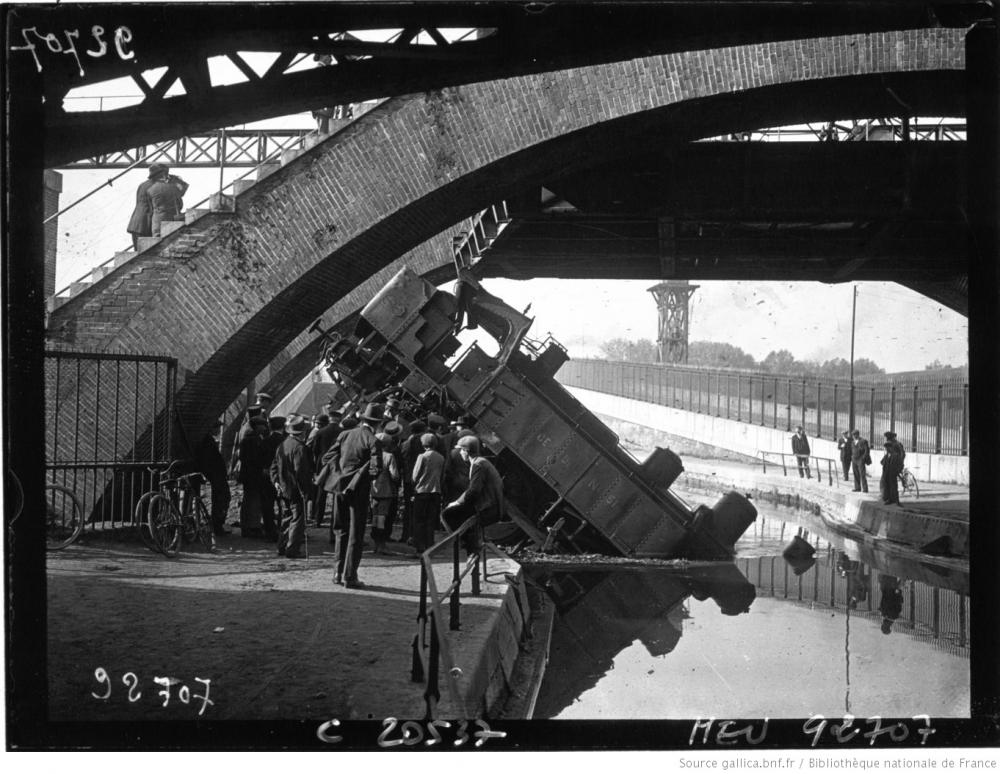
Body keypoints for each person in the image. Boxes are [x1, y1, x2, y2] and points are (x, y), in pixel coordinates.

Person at [325, 402, 384, 588]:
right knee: (356, 533)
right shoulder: (373, 441)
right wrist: (360, 476)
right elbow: (376, 469)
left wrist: (340, 475)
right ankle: (350, 577)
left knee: (340, 530)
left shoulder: (344, 434)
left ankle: (337, 573)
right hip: (359, 490)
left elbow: (327, 458)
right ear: (378, 424)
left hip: (339, 488)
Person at [442, 435, 505, 556]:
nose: (460, 452)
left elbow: (474, 491)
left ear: (466, 451)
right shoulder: (481, 462)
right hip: (491, 505)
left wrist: (456, 502)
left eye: (461, 450)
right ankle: (470, 545)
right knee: (460, 514)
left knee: (446, 514)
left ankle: (468, 546)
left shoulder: (478, 465)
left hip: (488, 508)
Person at [270, 414, 314, 559]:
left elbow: (274, 466)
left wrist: (276, 481)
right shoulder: (300, 448)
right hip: (296, 490)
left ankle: (281, 547)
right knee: (298, 520)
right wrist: (306, 490)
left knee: (286, 518)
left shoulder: (283, 444)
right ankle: (292, 550)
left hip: (283, 488)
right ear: (302, 432)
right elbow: (301, 472)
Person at [194, 420, 231, 536]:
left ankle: (217, 524)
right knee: (222, 498)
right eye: (217, 428)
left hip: (216, 475)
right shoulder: (208, 442)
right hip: (215, 475)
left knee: (221, 498)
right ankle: (217, 525)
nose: (218, 431)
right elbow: (210, 461)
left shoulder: (208, 441)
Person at [411, 432, 445, 553]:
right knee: (431, 520)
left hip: (422, 491)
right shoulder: (441, 457)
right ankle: (429, 544)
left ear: (423, 444)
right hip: (436, 491)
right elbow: (442, 476)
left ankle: (420, 546)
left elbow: (415, 476)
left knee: (419, 519)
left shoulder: (422, 457)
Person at [236, 416, 269, 536]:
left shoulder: (250, 439)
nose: (265, 427)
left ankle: (248, 525)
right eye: (263, 425)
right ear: (257, 427)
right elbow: (254, 459)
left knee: (249, 500)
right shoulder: (252, 440)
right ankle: (252, 526)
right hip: (253, 475)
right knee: (253, 501)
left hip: (249, 475)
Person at [369, 432, 400, 554]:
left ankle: (375, 544)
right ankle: (382, 544)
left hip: (373, 489)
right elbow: (395, 475)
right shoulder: (389, 456)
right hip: (386, 490)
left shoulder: (372, 455)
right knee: (382, 517)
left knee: (375, 516)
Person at [126, 162, 165, 249]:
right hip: (145, 224)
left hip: (135, 223)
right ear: (158, 175)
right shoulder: (156, 186)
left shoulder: (142, 185)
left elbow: (139, 203)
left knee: (137, 252)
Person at [260, 415, 287, 541]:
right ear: (283, 426)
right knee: (285, 505)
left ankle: (269, 530)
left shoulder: (265, 441)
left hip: (266, 477)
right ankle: (284, 532)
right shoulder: (286, 441)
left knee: (268, 505)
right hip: (283, 476)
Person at [146, 166, 189, 236]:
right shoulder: (173, 188)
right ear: (163, 176)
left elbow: (150, 208)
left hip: (158, 224)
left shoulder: (150, 190)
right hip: (172, 222)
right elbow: (180, 204)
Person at [880, 431, 906, 505]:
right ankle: (888, 498)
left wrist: (898, 468)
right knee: (887, 484)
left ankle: (895, 500)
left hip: (894, 466)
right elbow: (883, 461)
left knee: (893, 485)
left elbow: (902, 454)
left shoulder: (895, 445)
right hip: (888, 468)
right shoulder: (890, 445)